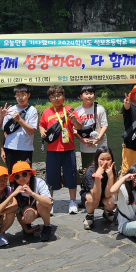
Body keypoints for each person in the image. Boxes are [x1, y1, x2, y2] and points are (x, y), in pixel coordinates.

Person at [38, 85, 82, 215]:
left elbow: (79, 126)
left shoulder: (70, 110)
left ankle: (73, 201)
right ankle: (49, 202)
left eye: (59, 95)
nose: (56, 98)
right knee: (50, 177)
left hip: (69, 149)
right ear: (50, 98)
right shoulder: (46, 112)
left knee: (71, 176)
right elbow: (41, 125)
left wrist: (74, 120)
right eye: (53, 96)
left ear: (63, 96)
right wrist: (42, 131)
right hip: (52, 150)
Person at [10, 161, 54, 242]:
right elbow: (17, 211)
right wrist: (26, 229)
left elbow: (49, 202)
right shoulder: (14, 189)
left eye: (24, 174)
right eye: (17, 176)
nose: (21, 178)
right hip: (28, 209)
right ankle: (28, 224)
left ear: (30, 174)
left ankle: (47, 226)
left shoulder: (39, 182)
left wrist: (32, 193)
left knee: (40, 203)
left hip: (43, 207)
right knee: (27, 216)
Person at [0, 84, 37, 174]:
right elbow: (5, 131)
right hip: (10, 147)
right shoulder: (10, 110)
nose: (20, 98)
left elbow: (31, 131)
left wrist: (19, 120)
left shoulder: (32, 110)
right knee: (12, 175)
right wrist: (2, 149)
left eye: (23, 94)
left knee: (25, 175)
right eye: (17, 95)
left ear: (28, 95)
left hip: (25, 148)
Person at [81, 145, 117, 230]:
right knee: (91, 199)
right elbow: (96, 195)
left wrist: (111, 177)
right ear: (97, 159)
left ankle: (107, 212)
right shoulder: (90, 171)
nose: (105, 162)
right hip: (92, 195)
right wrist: (97, 176)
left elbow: (108, 195)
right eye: (102, 159)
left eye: (108, 159)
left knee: (113, 199)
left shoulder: (112, 170)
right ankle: (90, 215)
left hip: (105, 196)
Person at [74, 85, 109, 170]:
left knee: (103, 169)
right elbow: (74, 130)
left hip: (101, 144)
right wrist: (81, 140)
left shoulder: (100, 108)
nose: (89, 96)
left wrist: (97, 139)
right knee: (87, 170)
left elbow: (104, 126)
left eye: (91, 93)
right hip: (86, 146)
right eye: (86, 94)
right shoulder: (77, 111)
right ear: (81, 96)